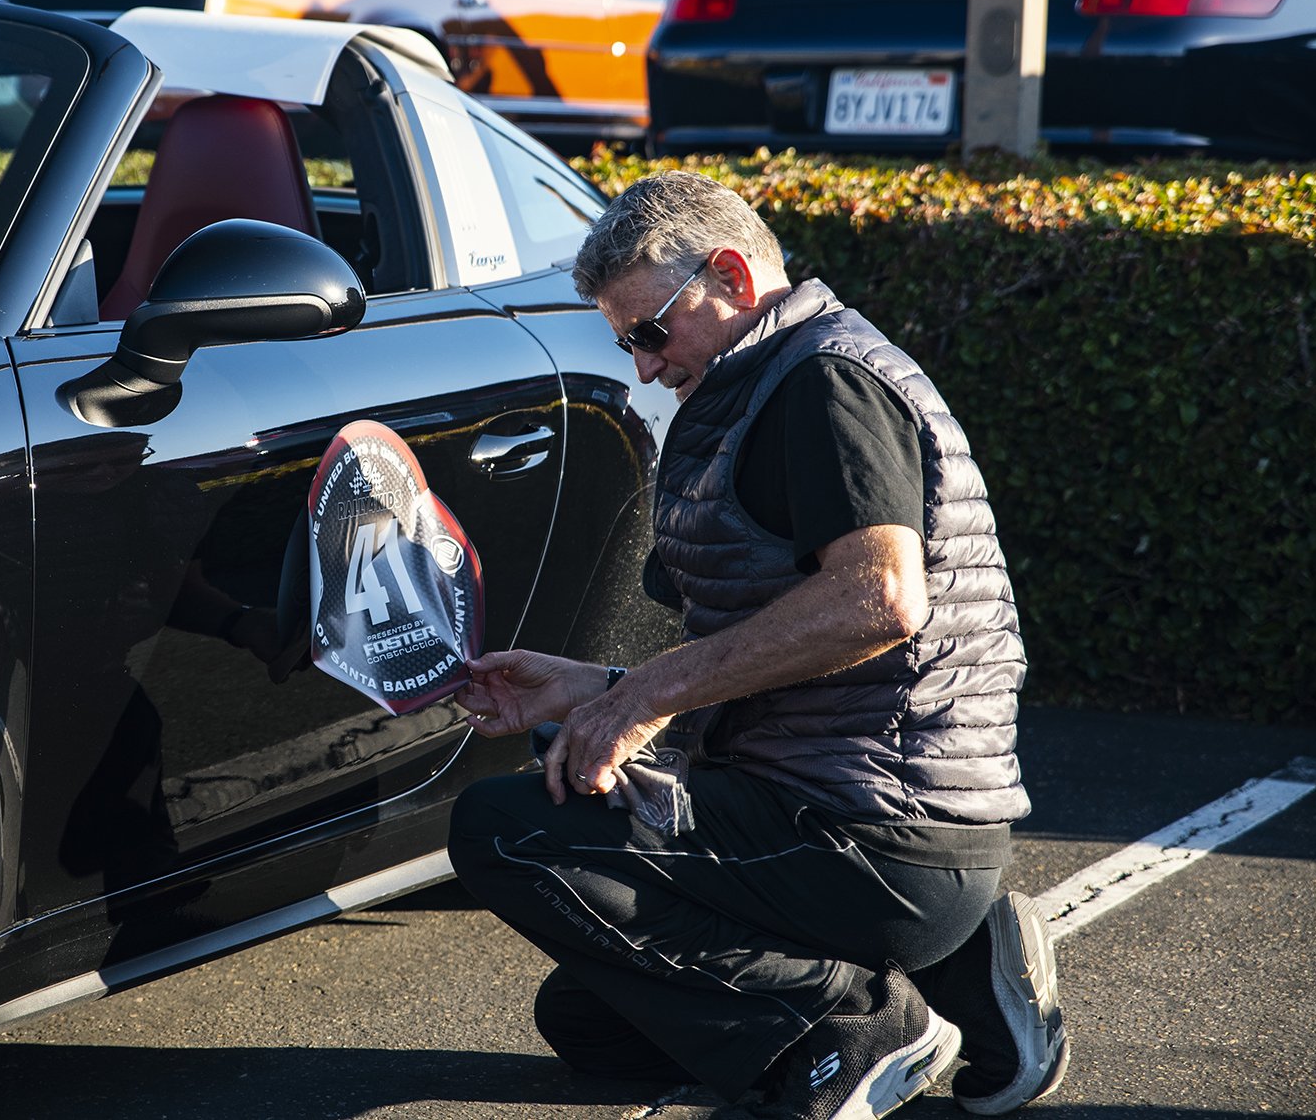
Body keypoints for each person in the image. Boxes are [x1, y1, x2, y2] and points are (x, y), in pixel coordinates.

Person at [447, 172, 1067, 1119]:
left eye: (649, 333)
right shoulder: (772, 378)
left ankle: (859, 1019)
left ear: (730, 274)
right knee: (594, 1020)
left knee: (503, 829)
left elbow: (879, 600)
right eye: (625, 344)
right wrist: (587, 688)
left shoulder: (824, 381)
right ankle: (969, 971)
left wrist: (643, 697)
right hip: (870, 820)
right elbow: (782, 654)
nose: (645, 367)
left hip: (873, 832)